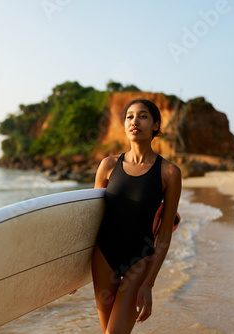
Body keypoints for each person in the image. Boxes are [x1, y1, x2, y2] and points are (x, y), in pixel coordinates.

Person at [92, 98, 181, 333]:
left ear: (155, 125)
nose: (135, 121)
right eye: (129, 117)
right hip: (103, 258)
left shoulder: (169, 173)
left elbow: (163, 235)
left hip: (139, 259)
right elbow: (90, 222)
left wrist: (149, 284)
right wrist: (69, 273)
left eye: (142, 116)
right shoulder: (108, 165)